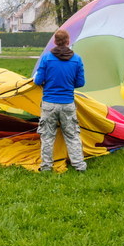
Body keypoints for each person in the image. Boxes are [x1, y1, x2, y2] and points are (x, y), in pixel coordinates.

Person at [33, 28, 87, 172]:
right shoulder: (77, 59)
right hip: (67, 103)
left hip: (49, 103)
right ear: (68, 42)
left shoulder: (46, 58)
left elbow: (38, 80)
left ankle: (46, 167)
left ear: (55, 42)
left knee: (47, 136)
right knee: (72, 135)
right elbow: (80, 83)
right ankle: (79, 166)